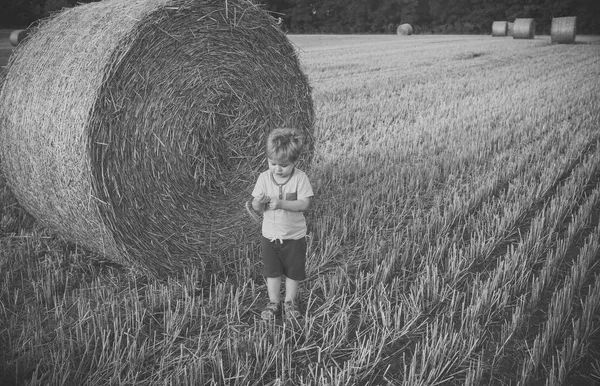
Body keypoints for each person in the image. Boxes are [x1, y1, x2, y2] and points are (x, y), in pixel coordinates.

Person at [251, 127, 313, 321]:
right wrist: (259, 201)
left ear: (295, 161)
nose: (277, 168)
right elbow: (257, 208)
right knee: (272, 272)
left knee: (293, 272)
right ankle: (273, 302)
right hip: (270, 235)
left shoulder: (300, 178)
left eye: (284, 165)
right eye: (273, 163)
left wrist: (281, 204)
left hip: (294, 236)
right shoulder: (263, 178)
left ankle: (290, 302)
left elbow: (305, 203)